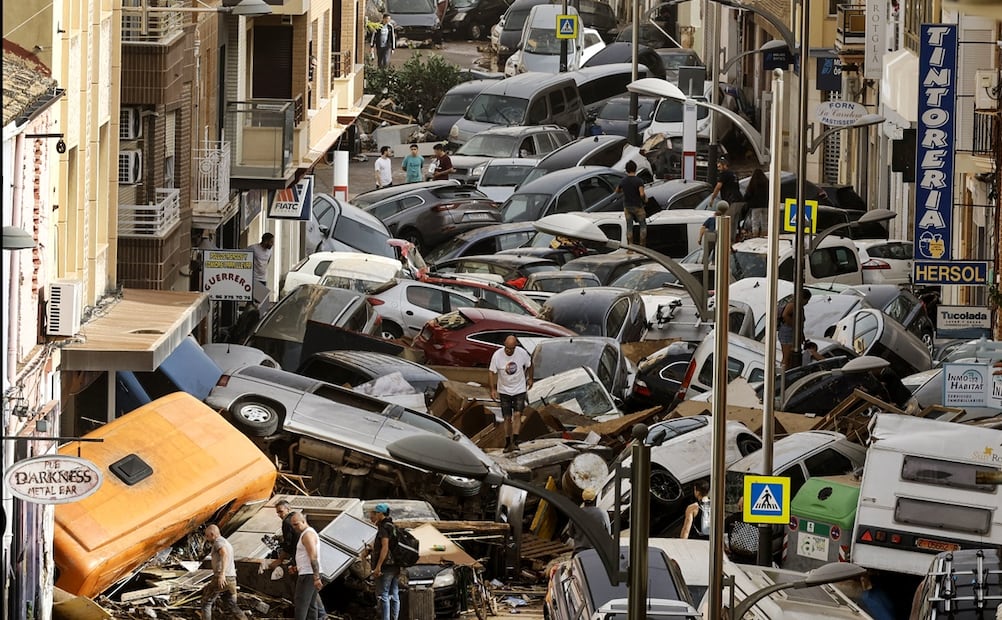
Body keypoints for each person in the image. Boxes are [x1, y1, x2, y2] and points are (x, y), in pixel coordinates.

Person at [489, 335, 533, 452]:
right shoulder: (497, 355)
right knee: (507, 418)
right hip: (504, 390)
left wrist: (530, 378)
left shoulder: (522, 353)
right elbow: (491, 372)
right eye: (507, 348)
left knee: (517, 414)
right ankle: (508, 441)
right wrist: (493, 389)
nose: (509, 351)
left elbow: (530, 364)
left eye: (511, 349)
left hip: (519, 389)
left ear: (515, 347)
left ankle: (515, 440)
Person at [200, 524, 249, 620]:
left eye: (207, 536)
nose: (206, 538)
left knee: (206, 602)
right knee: (230, 602)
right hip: (231, 577)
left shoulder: (218, 542)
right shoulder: (226, 542)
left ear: (212, 534)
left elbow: (224, 554)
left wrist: (222, 574)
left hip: (222, 577)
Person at [368, 503, 400, 620]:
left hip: (387, 566)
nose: (374, 515)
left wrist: (378, 566)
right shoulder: (392, 526)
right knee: (394, 593)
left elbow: (385, 547)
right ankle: (394, 617)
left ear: (380, 513)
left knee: (384, 594)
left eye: (375, 513)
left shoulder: (384, 528)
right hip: (395, 565)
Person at [290, 511, 324, 620]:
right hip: (308, 572)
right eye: (293, 525)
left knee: (301, 604)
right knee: (311, 606)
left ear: (304, 521)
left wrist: (316, 576)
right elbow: (306, 556)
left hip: (308, 574)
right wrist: (297, 567)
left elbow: (313, 556)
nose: (294, 527)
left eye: (296, 524)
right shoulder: (306, 534)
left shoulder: (308, 535)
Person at [615, 160, 647, 247]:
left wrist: (624, 190)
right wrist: (645, 200)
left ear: (626, 169)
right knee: (643, 226)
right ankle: (642, 246)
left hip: (627, 207)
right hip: (638, 206)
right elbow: (642, 194)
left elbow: (617, 191)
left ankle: (630, 247)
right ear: (635, 169)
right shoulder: (639, 181)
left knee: (629, 226)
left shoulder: (623, 181)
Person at [568, 488, 611, 553]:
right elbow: (607, 534)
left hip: (580, 552)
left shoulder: (575, 513)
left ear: (583, 499)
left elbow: (571, 534)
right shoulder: (603, 513)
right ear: (595, 499)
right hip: (598, 552)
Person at [779, 289, 811, 370]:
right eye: (807, 300)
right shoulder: (792, 305)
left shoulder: (799, 307)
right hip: (788, 331)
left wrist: (801, 334)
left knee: (790, 357)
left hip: (792, 332)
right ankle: (783, 374)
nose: (807, 303)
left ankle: (787, 371)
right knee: (787, 356)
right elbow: (785, 315)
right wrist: (795, 326)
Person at [741, 168, 769, 238]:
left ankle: (755, 234)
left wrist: (745, 200)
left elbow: (748, 193)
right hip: (765, 204)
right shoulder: (767, 182)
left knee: (755, 221)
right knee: (765, 221)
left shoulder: (753, 183)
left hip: (755, 205)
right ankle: (764, 234)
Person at [248, 232, 274, 307]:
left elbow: (267, 261)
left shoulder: (270, 250)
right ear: (265, 241)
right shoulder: (254, 248)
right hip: (254, 279)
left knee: (260, 302)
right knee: (253, 301)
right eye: (271, 242)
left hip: (263, 279)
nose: (272, 244)